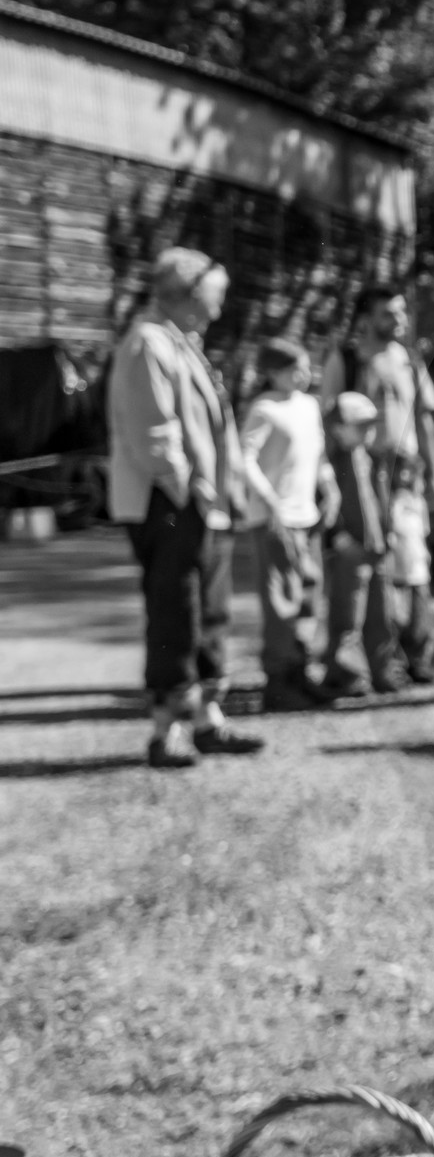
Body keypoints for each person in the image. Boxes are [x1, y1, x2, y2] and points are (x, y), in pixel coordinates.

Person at [107, 247, 265, 768]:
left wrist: (220, 493)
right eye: (214, 296)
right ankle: (165, 731)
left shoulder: (183, 344)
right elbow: (153, 433)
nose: (219, 309)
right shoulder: (148, 343)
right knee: (175, 613)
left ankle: (206, 721)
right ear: (188, 294)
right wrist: (189, 493)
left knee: (210, 612)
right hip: (171, 503)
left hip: (201, 503)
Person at [321, 284, 434, 685]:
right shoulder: (346, 359)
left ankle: (416, 651)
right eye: (388, 313)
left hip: (405, 476)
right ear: (366, 319)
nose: (399, 320)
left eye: (401, 311)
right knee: (370, 568)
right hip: (362, 475)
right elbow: (329, 421)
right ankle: (371, 660)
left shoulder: (410, 360)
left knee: (413, 564)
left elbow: (424, 419)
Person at [238, 337, 340, 711]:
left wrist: (330, 487)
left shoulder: (309, 406)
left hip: (305, 516)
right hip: (274, 519)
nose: (304, 375)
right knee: (282, 600)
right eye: (295, 369)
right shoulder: (264, 409)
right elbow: (244, 458)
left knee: (309, 596)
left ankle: (301, 671)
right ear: (273, 372)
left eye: (305, 367)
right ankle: (278, 682)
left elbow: (318, 454)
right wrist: (269, 500)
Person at [321, 392, 388, 699]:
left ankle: (382, 669)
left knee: (381, 613)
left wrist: (388, 534)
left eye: (370, 424)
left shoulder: (371, 458)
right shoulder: (331, 462)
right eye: (360, 425)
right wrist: (338, 536)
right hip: (350, 550)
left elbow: (380, 500)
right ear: (337, 428)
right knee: (348, 615)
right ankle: (347, 673)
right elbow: (325, 502)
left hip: (376, 547)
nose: (368, 431)